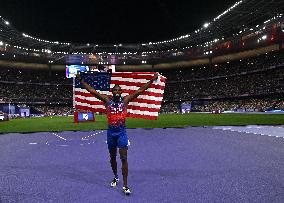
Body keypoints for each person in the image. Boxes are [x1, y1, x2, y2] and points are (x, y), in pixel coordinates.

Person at [76, 72, 159, 195]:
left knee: (124, 158)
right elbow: (92, 91)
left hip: (121, 133)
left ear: (121, 92)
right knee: (113, 157)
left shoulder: (125, 100)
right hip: (111, 133)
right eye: (114, 90)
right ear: (112, 92)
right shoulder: (107, 100)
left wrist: (152, 80)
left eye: (118, 90)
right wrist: (81, 81)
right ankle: (115, 176)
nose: (116, 91)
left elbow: (140, 90)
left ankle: (125, 186)